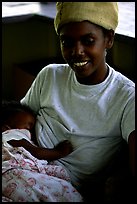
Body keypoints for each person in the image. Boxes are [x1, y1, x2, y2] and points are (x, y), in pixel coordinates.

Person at [19, 2, 135, 202]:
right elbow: (17, 120)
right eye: (67, 42)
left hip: (62, 189)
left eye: (88, 41)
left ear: (108, 39)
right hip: (23, 164)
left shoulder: (127, 98)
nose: (77, 51)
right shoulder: (50, 76)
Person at [2, 100, 73, 161]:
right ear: (7, 128)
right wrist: (59, 152)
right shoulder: (12, 135)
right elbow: (36, 152)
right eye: (29, 125)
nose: (32, 130)